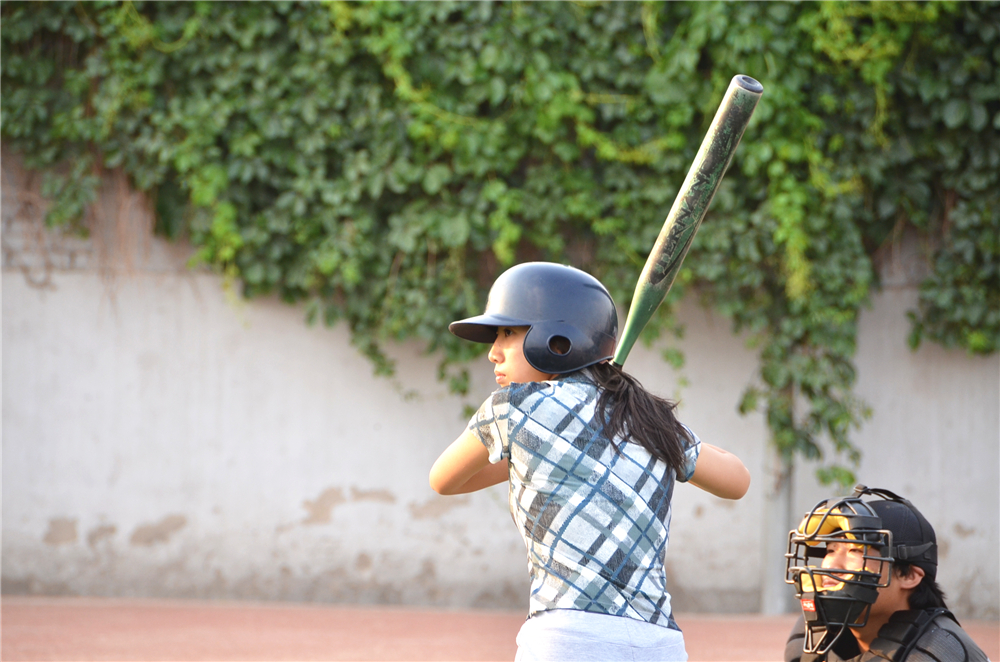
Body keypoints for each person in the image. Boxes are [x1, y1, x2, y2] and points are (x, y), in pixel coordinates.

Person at [429, 261, 751, 661]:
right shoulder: (648, 418)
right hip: (656, 643)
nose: (494, 353)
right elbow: (737, 480)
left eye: (508, 333)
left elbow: (443, 479)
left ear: (557, 341)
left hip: (565, 640)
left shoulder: (512, 407)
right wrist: (661, 430)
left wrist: (535, 452)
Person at [783, 485, 991, 662]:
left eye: (855, 551)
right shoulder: (810, 638)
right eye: (830, 550)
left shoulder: (938, 650)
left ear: (908, 575)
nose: (830, 565)